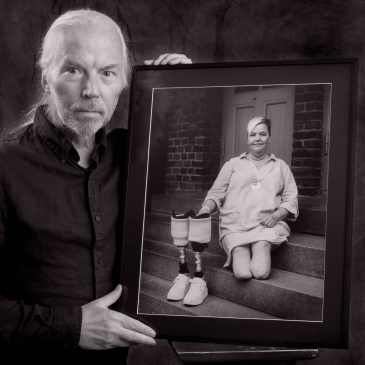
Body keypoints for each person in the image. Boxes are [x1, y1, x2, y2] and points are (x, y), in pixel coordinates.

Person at [0, 9, 191, 363]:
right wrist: (71, 327)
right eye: (73, 70)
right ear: (46, 77)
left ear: (123, 82)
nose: (91, 91)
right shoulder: (5, 166)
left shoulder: (131, 155)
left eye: (107, 73)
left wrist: (178, 86)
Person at [199, 116, 298, 281]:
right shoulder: (232, 164)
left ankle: (260, 246)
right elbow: (216, 193)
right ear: (247, 138)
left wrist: (276, 216)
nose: (257, 139)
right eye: (253, 135)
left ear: (269, 137)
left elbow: (291, 199)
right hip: (235, 226)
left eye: (262, 134)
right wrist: (206, 209)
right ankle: (240, 249)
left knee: (260, 272)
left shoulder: (280, 166)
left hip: (265, 226)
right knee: (242, 273)